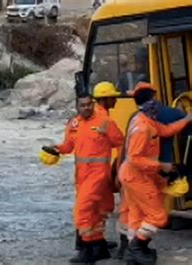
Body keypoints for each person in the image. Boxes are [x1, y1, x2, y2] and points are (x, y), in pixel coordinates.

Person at [119, 82, 192, 264]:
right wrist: (161, 166)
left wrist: (187, 119)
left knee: (136, 216)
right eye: (154, 99)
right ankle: (137, 247)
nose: (157, 102)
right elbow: (135, 158)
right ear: (149, 101)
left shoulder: (147, 120)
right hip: (136, 176)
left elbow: (166, 131)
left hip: (134, 175)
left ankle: (133, 253)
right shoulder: (142, 127)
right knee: (157, 216)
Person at [47, 93, 124, 263]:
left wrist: (119, 169)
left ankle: (88, 248)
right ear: (77, 107)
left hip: (98, 175)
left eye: (89, 104)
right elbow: (68, 146)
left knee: (82, 211)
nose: (86, 107)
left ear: (93, 104)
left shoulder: (105, 122)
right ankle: (99, 246)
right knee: (98, 210)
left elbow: (121, 143)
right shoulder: (74, 124)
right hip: (82, 176)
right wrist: (57, 149)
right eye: (83, 105)